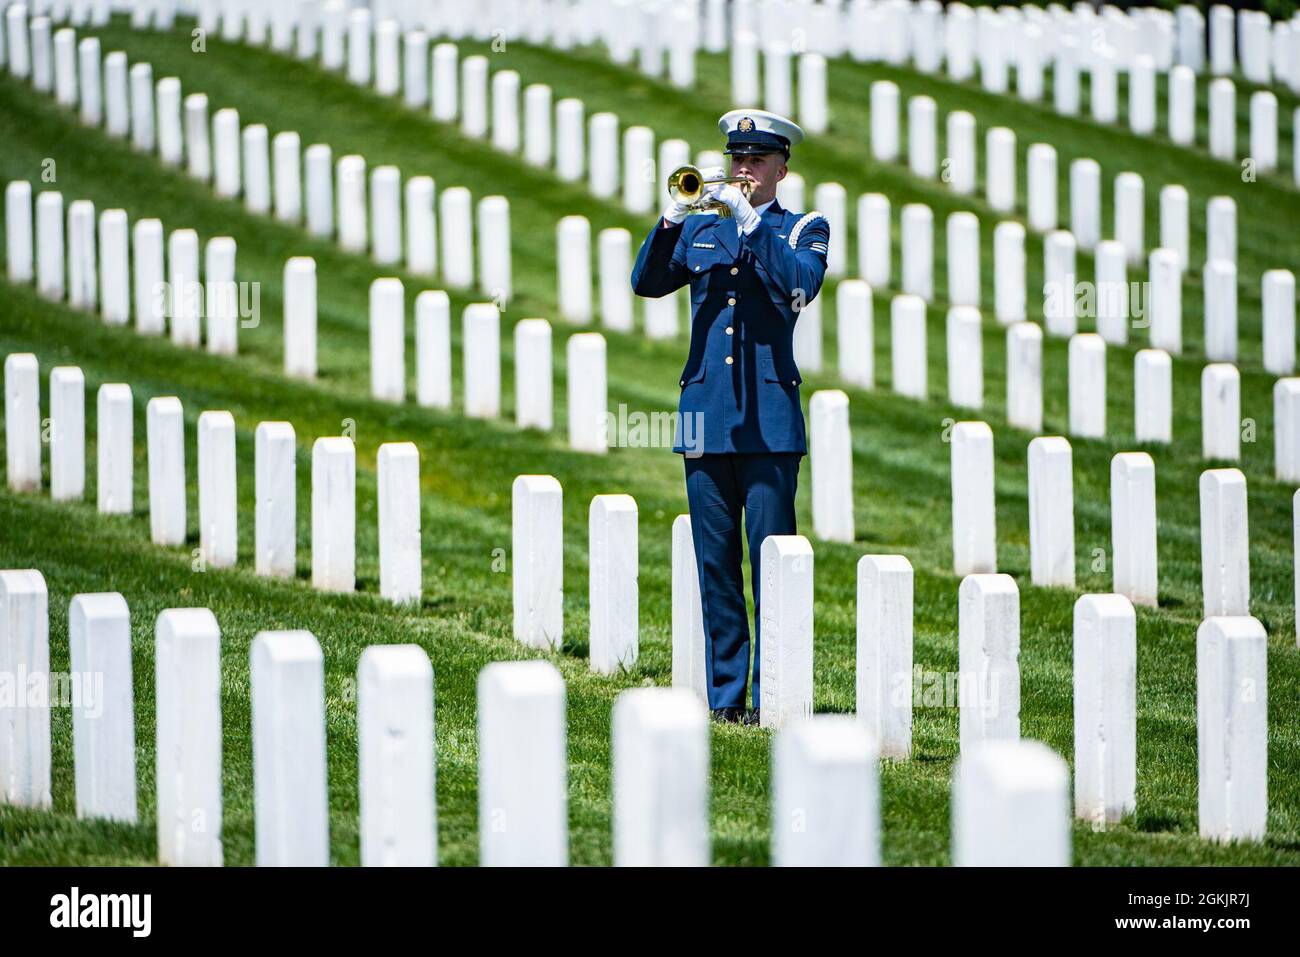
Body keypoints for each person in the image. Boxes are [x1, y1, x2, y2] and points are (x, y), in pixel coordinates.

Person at [630, 109, 830, 725]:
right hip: (703, 418)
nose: (743, 169)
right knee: (715, 565)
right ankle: (726, 700)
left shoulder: (803, 229)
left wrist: (752, 226)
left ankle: (772, 697)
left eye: (756, 160)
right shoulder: (701, 231)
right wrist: (672, 217)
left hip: (769, 422)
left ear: (780, 168)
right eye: (736, 158)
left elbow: (796, 287)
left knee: (770, 561)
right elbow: (646, 282)